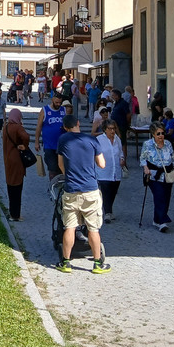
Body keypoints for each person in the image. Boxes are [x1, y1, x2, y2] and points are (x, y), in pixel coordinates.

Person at [55, 114, 111, 274]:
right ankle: (98, 264)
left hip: (71, 189)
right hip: (90, 189)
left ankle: (65, 262)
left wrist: (69, 175)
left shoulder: (63, 140)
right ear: (78, 123)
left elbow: (60, 164)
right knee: (93, 228)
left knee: (70, 227)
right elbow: (102, 164)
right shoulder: (92, 140)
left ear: (65, 127)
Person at [140, 122, 174, 232]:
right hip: (153, 175)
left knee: (166, 197)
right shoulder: (147, 144)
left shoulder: (168, 144)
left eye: (162, 133)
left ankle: (157, 220)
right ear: (153, 134)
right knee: (159, 196)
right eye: (158, 133)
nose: (161, 136)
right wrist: (145, 168)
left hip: (168, 174)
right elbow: (142, 158)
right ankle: (162, 222)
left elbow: (172, 157)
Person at [2, 108, 31, 221]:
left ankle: (11, 212)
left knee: (10, 186)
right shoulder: (18, 127)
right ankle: (16, 215)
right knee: (17, 187)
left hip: (7, 159)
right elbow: (26, 137)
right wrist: (24, 146)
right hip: (16, 160)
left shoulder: (6, 127)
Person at [35, 88, 69, 182]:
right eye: (56, 102)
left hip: (62, 145)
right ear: (52, 100)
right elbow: (39, 127)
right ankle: (53, 185)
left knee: (61, 168)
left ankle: (61, 185)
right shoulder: (45, 110)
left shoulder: (63, 110)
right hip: (49, 145)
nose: (58, 104)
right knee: (52, 168)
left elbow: (68, 125)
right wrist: (37, 142)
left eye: (60, 103)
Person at [96, 118, 126, 221]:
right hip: (103, 171)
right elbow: (95, 154)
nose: (112, 131)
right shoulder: (99, 140)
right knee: (106, 191)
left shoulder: (117, 139)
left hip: (116, 171)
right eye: (110, 129)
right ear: (105, 129)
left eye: (113, 128)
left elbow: (121, 152)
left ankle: (109, 210)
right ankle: (107, 213)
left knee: (113, 191)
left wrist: (122, 159)